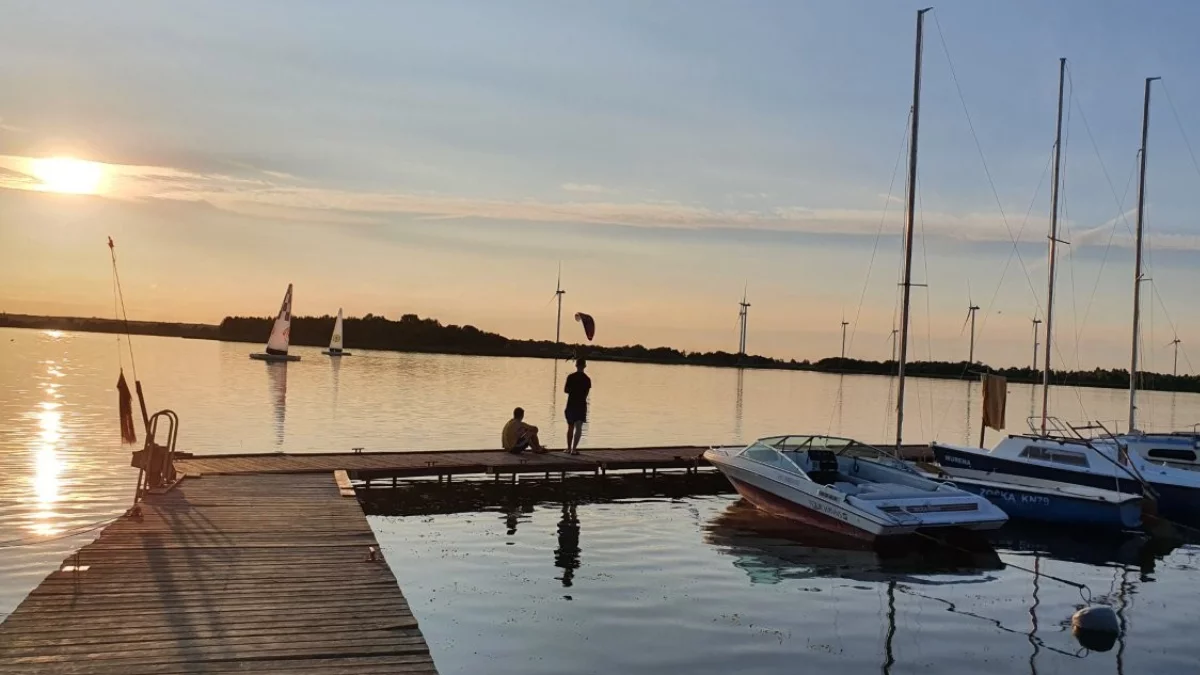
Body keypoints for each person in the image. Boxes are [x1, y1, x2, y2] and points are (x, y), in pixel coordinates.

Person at [563, 358, 591, 455]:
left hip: (571, 404)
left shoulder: (570, 377)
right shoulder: (587, 379)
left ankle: (568, 448)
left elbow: (565, 390)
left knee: (570, 426)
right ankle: (574, 449)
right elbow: (586, 394)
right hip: (581, 405)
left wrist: (573, 391)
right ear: (585, 366)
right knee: (578, 427)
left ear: (576, 365)